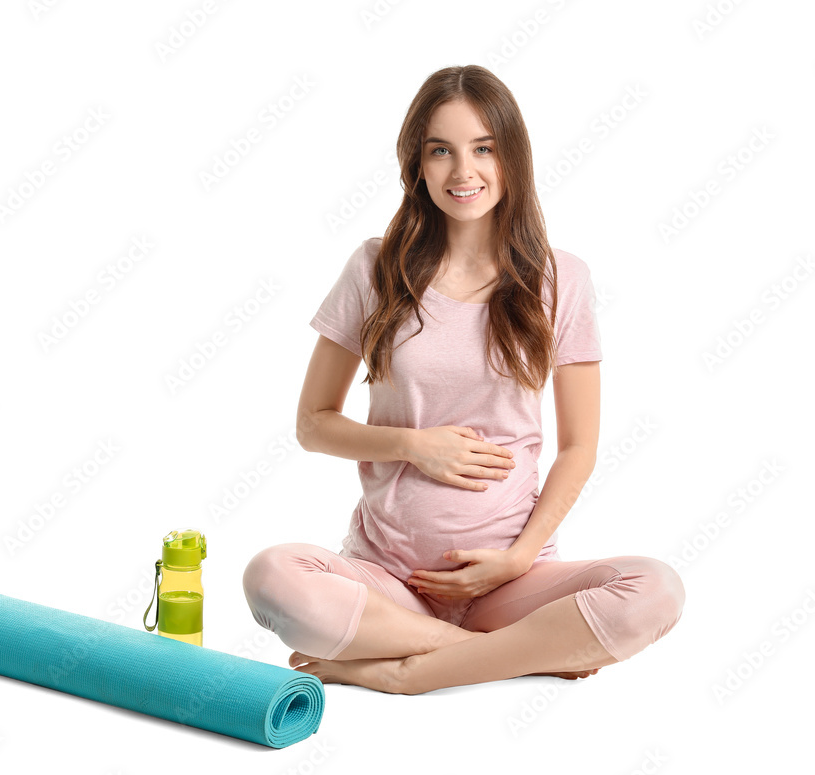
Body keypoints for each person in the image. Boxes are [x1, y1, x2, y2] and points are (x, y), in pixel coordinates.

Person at [241, 65, 686, 695]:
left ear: (513, 158)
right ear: (416, 165)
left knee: (656, 589)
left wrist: (517, 559)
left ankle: (403, 675)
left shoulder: (562, 279)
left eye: (483, 148)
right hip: (387, 580)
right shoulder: (375, 268)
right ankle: (501, 656)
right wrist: (413, 444)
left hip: (510, 580)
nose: (463, 171)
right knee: (271, 576)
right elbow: (313, 425)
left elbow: (579, 447)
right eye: (440, 151)